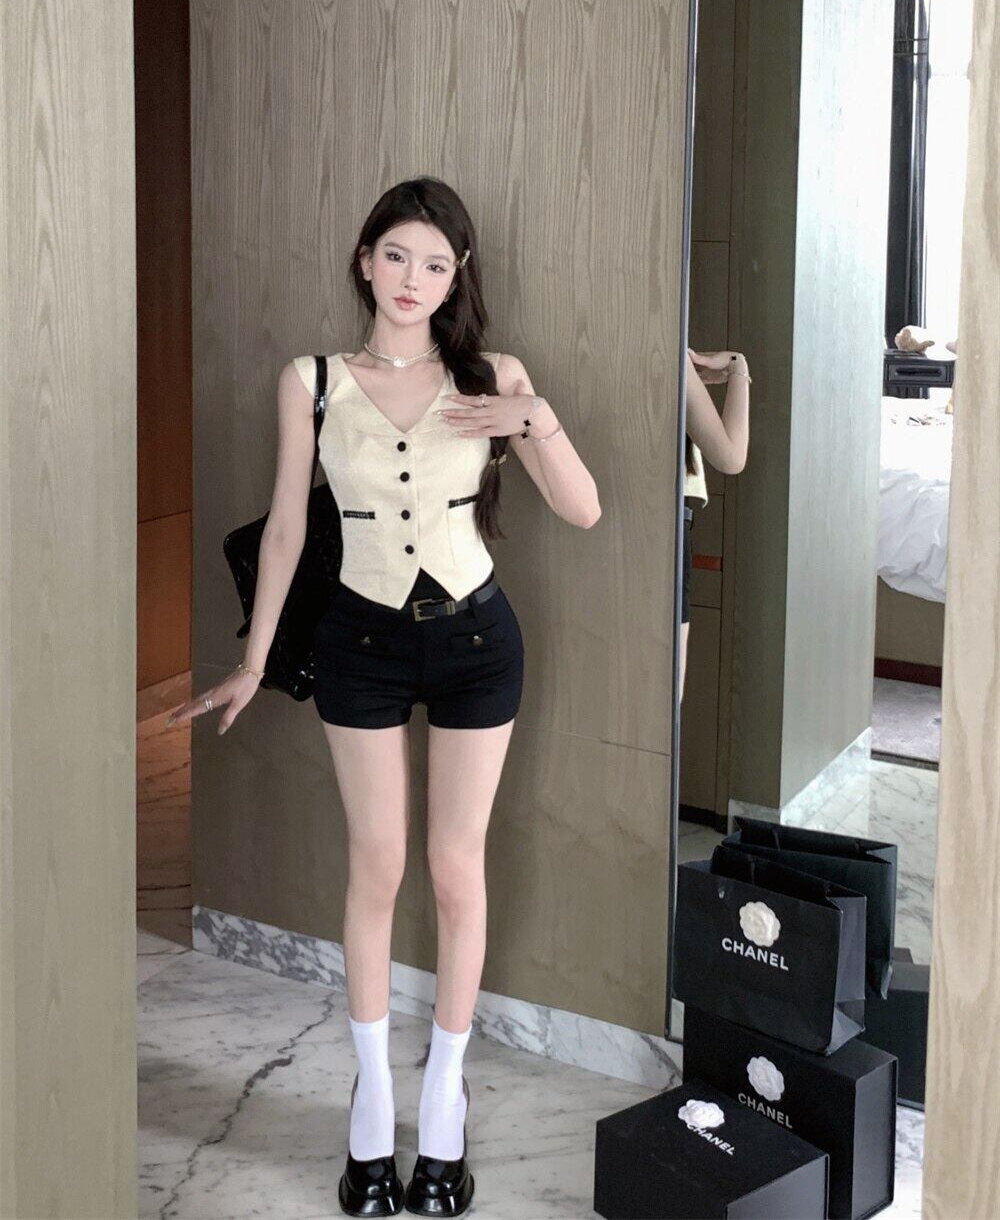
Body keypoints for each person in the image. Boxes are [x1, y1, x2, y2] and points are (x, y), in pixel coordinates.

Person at [165, 176, 601, 1217]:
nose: (414, 279)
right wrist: (251, 663)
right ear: (365, 260)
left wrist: (534, 418)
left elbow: (583, 510)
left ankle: (444, 1096)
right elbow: (285, 528)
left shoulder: (494, 377)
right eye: (397, 255)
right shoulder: (311, 381)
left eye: (436, 263)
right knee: (378, 864)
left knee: (455, 869)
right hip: (357, 641)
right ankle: (371, 1102)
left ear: (457, 278)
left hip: (477, 641)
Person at [679, 348, 751, 698]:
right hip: (665, 530)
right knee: (663, 693)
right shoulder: (670, 352)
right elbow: (731, 457)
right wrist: (738, 369)